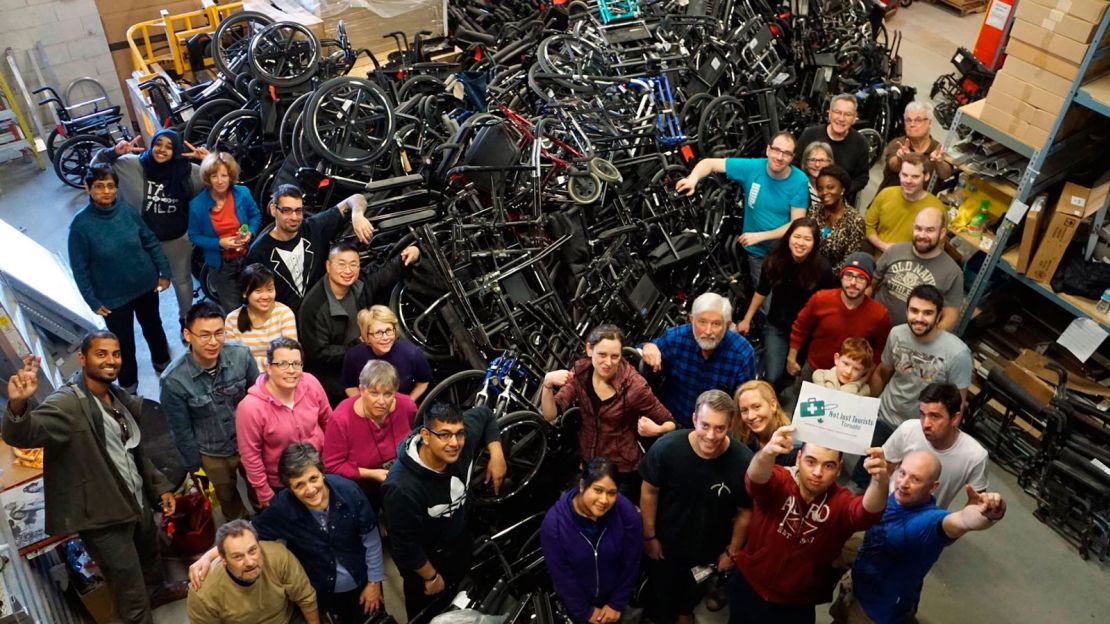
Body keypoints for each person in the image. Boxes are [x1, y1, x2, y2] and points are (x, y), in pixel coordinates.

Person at [3, 335, 187, 624]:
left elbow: (134, 452)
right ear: (82, 359)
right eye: (101, 354)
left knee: (150, 553)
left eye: (115, 354)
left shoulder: (117, 398)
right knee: (129, 589)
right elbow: (23, 435)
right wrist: (17, 406)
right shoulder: (68, 403)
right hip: (103, 516)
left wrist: (158, 486)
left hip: (134, 499)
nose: (110, 361)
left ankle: (157, 592)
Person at [190, 444, 386, 623]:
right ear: (289, 488)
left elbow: (371, 539)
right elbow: (249, 533)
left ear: (322, 473)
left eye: (313, 479)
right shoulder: (282, 508)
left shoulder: (349, 492)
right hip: (322, 589)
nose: (310, 490)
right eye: (299, 485)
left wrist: (374, 582)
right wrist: (209, 556)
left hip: (363, 582)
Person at [728, 426, 889, 624]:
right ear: (798, 459)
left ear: (839, 469)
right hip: (749, 584)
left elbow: (867, 514)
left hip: (796, 602)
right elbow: (754, 481)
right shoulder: (780, 481)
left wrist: (880, 481)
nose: (817, 472)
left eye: (828, 466)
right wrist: (768, 452)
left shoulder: (841, 502)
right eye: (810, 461)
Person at [832, 450, 1006, 624]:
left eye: (915, 479)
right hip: (857, 588)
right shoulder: (896, 497)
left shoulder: (930, 521)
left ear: (933, 487)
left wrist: (987, 514)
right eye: (903, 473)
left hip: (875, 613)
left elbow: (962, 521)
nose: (904, 483)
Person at [382, 402, 506, 622]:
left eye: (459, 434)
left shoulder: (461, 441)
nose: (455, 443)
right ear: (426, 435)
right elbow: (404, 545)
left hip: (459, 547)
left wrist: (497, 454)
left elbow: (486, 414)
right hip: (427, 568)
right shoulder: (401, 488)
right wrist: (430, 577)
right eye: (445, 435)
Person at [639, 390, 754, 624]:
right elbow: (649, 491)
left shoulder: (744, 462)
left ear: (730, 425)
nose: (711, 435)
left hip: (709, 552)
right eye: (705, 425)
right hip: (665, 545)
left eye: (720, 428)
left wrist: (732, 551)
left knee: (692, 594)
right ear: (694, 419)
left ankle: (685, 612)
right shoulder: (666, 449)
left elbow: (745, 511)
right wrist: (649, 537)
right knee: (660, 595)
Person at [851, 286, 973, 490]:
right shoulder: (897, 334)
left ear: (939, 315)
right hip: (886, 418)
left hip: (920, 431)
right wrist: (865, 403)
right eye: (914, 311)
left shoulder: (958, 353)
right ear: (907, 310)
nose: (919, 318)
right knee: (865, 478)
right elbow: (883, 372)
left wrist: (941, 440)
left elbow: (958, 404)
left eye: (927, 313)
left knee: (900, 488)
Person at [541, 324, 675, 502]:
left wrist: (656, 430)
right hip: (590, 463)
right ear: (590, 349)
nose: (608, 362)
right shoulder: (580, 374)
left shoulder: (634, 386)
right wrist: (547, 385)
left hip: (622, 470)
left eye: (615, 356)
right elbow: (550, 415)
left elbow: (670, 423)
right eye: (602, 355)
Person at [68, 163, 172, 393]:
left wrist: (164, 272)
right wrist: (92, 301)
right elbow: (79, 269)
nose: (106, 191)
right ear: (88, 188)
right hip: (113, 299)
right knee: (121, 344)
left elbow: (150, 241)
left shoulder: (126, 211)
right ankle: (129, 386)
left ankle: (163, 363)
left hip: (145, 285)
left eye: (110, 186)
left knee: (154, 326)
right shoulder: (80, 226)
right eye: (99, 186)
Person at [92, 130, 207, 327]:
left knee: (182, 281)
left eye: (169, 146)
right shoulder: (130, 165)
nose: (161, 150)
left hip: (176, 240)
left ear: (177, 150)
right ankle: (153, 329)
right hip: (140, 243)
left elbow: (221, 181)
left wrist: (209, 161)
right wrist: (113, 152)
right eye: (158, 144)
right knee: (143, 288)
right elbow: (96, 169)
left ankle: (186, 321)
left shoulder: (190, 172)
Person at [161, 302, 258, 520]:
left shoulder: (241, 355)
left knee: (260, 491)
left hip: (248, 442)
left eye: (219, 333)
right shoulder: (173, 381)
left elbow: (259, 398)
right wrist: (196, 468)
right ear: (187, 334)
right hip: (212, 454)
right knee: (228, 501)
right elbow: (181, 431)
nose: (213, 342)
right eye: (204, 335)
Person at [675, 132, 810, 282]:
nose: (779, 157)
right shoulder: (753, 167)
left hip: (784, 253)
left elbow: (796, 224)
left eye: (786, 153)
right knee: (764, 300)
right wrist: (692, 179)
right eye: (776, 150)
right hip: (756, 253)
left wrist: (760, 236)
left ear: (792, 157)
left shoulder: (799, 181)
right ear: (768, 150)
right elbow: (709, 163)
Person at [299, 241, 419, 405]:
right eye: (341, 265)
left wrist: (411, 254)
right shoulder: (314, 306)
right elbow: (318, 353)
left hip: (366, 359)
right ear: (328, 266)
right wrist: (357, 347)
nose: (348, 271)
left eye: (353, 265)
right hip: (333, 373)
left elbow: (384, 275)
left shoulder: (359, 284)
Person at [736, 218, 836, 389]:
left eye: (807, 239)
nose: (800, 243)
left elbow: (828, 304)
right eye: (797, 236)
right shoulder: (774, 259)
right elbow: (762, 290)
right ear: (788, 237)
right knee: (773, 376)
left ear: (815, 243)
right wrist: (747, 319)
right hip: (777, 325)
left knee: (795, 374)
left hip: (807, 332)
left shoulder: (822, 269)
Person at [541, 458, 643, 624]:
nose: (604, 500)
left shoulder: (626, 514)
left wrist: (616, 603)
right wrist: (585, 611)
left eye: (612, 493)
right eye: (598, 490)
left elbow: (631, 560)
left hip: (615, 603)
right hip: (578, 607)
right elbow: (562, 575)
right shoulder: (555, 524)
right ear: (582, 486)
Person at [236, 337, 332, 507]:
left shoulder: (311, 383)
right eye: (283, 364)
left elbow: (328, 421)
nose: (291, 370)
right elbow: (251, 456)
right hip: (282, 483)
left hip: (318, 470)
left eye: (296, 364)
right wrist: (264, 493)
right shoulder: (250, 407)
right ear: (268, 367)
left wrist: (331, 461)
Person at [246, 185, 374, 311]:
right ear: (274, 210)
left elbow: (356, 198)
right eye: (286, 210)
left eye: (298, 210)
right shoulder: (259, 252)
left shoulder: (314, 228)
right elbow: (252, 297)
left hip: (325, 314)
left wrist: (357, 215)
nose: (294, 217)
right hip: (287, 323)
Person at [641, 292, 758, 427]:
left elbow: (745, 403)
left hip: (714, 432)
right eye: (702, 322)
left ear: (727, 324)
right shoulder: (677, 338)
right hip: (671, 423)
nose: (708, 331)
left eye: (716, 324)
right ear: (691, 320)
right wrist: (648, 346)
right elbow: (640, 352)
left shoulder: (742, 353)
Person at [186, 520, 319, 624]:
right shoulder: (203, 592)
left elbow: (305, 597)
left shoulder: (279, 556)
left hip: (287, 619)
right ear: (223, 559)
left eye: (252, 551)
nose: (250, 562)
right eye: (238, 556)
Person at [324, 360, 417, 508]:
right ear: (361, 390)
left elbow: (416, 440)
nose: (381, 401)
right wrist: (371, 474)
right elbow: (333, 466)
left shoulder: (407, 407)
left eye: (388, 394)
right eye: (374, 393)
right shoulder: (341, 419)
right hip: (360, 491)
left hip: (403, 482)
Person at [787, 252, 891, 382]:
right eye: (849, 275)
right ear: (841, 277)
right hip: (815, 368)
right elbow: (800, 327)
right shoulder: (821, 299)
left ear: (868, 282)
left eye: (860, 278)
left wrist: (866, 375)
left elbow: (880, 349)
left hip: (851, 377)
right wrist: (791, 357)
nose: (853, 282)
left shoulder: (879, 314)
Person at [882, 383, 988, 509]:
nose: (925, 424)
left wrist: (952, 525)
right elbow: (886, 466)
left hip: (928, 522)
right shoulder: (908, 429)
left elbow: (976, 501)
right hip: (888, 508)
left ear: (955, 418)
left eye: (935, 416)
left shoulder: (976, 456)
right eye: (922, 414)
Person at [188, 152, 262, 313]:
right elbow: (194, 236)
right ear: (208, 178)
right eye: (214, 176)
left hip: (248, 258)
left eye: (224, 175)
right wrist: (219, 243)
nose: (220, 180)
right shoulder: (197, 205)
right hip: (221, 267)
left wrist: (250, 232)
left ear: (231, 176)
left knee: (257, 304)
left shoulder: (242, 193)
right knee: (234, 312)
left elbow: (255, 216)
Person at [872, 207, 964, 331]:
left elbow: (950, 317)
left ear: (942, 233)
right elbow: (871, 283)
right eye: (918, 228)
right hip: (875, 327)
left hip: (911, 341)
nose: (922, 235)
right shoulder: (895, 251)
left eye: (930, 230)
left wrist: (927, 340)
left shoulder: (953, 272)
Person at [341, 305, 432, 400]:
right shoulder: (354, 355)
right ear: (366, 336)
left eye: (388, 330)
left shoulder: (412, 354)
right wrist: (365, 405)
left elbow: (424, 381)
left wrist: (408, 402)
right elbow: (350, 386)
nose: (385, 337)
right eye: (378, 333)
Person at [796, 94, 872, 202]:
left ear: (855, 118)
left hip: (838, 201)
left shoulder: (860, 143)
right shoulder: (809, 135)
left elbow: (862, 177)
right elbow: (795, 164)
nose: (841, 118)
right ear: (829, 114)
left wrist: (842, 191)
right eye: (837, 112)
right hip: (804, 196)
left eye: (848, 114)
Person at [864, 153, 944, 255]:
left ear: (926, 176)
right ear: (899, 174)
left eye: (915, 176)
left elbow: (938, 245)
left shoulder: (937, 208)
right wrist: (882, 246)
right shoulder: (886, 194)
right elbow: (868, 226)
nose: (908, 181)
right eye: (905, 175)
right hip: (878, 259)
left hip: (912, 266)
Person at [225, 263, 299, 369]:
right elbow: (232, 360)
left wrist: (251, 361)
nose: (265, 296)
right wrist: (268, 362)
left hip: (279, 377)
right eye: (258, 291)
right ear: (245, 293)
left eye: (270, 290)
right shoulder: (232, 320)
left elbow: (290, 357)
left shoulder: (284, 314)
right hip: (244, 380)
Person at [879, 101, 952, 189]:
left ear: (930, 123)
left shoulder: (938, 149)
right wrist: (900, 159)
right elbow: (893, 166)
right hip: (892, 198)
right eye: (908, 120)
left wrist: (939, 163)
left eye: (918, 120)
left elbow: (945, 175)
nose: (912, 124)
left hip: (922, 201)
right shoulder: (898, 143)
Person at [809, 165, 867, 272]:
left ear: (842, 189)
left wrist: (824, 276)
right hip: (808, 271)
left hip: (835, 278)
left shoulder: (855, 220)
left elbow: (849, 259)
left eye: (830, 187)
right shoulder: (814, 211)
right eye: (820, 189)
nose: (824, 192)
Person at [732, 380, 799, 466]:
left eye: (756, 407)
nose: (751, 416)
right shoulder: (739, 441)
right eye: (744, 410)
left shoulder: (795, 442)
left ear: (773, 405)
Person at [801, 141, 835, 210]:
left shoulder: (836, 188)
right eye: (812, 160)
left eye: (822, 160)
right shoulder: (799, 186)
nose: (817, 165)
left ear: (830, 163)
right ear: (806, 163)